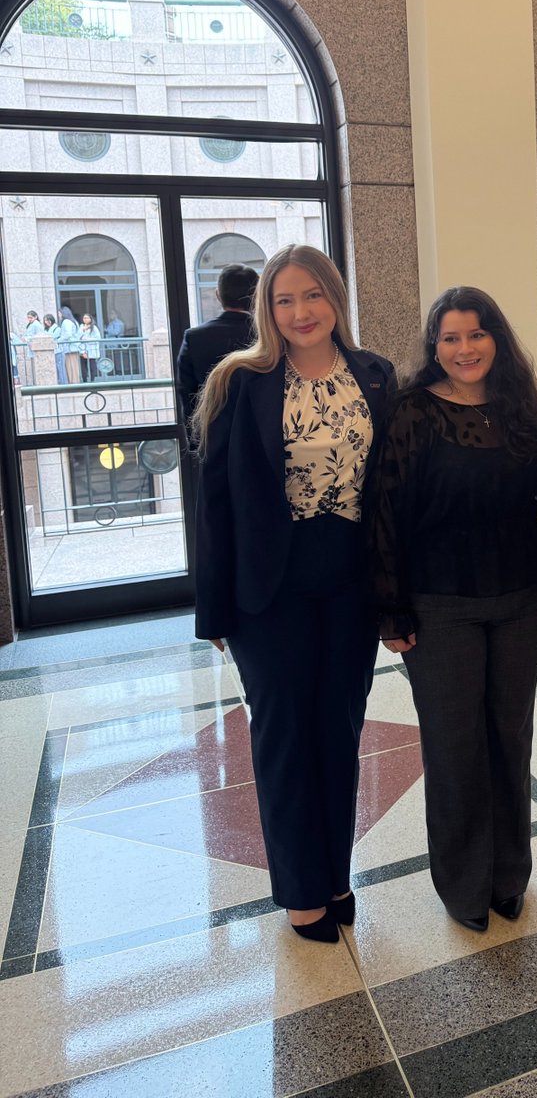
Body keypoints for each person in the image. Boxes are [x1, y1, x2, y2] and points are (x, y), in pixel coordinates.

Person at [192, 244, 396, 944]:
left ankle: (335, 874)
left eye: (313, 295)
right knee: (283, 736)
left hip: (348, 581)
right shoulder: (240, 380)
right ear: (266, 309)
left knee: (338, 732)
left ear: (335, 298)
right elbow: (214, 503)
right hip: (266, 588)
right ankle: (301, 892)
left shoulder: (374, 375)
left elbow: (391, 493)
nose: (301, 311)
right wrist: (213, 607)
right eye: (285, 299)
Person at [370, 287, 537, 932]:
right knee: (454, 748)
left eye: (476, 334)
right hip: (439, 606)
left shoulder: (521, 411)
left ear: (497, 340)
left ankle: (510, 875)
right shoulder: (412, 413)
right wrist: (391, 610)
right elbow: (385, 512)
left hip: (521, 602)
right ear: (434, 347)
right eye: (449, 337)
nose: (464, 348)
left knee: (511, 739)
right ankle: (463, 884)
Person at [176, 264, 259, 440]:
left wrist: (196, 441)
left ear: (218, 295)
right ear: (257, 296)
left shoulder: (194, 337)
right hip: (261, 435)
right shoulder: (268, 335)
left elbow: (187, 394)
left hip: (214, 436)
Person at [57, 305, 81, 383]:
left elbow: (67, 334)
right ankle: (75, 381)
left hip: (70, 348)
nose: (59, 315)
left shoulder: (66, 322)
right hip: (74, 347)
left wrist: (58, 340)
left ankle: (73, 382)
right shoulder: (74, 321)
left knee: (70, 366)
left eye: (59, 313)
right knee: (74, 366)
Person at [43, 313, 67, 385]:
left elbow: (52, 337)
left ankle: (63, 384)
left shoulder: (57, 328)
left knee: (61, 368)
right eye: (45, 321)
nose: (46, 322)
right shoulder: (47, 329)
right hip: (52, 351)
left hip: (58, 350)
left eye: (48, 320)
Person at [79, 313, 103, 381]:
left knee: (92, 366)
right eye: (84, 318)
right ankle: (85, 380)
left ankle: (93, 380)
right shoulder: (81, 327)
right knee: (83, 367)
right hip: (83, 349)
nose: (85, 319)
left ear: (90, 319)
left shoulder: (94, 327)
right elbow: (78, 336)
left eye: (87, 318)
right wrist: (83, 330)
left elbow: (98, 338)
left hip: (91, 349)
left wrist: (88, 339)